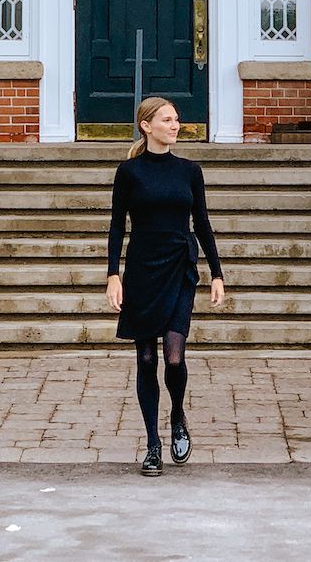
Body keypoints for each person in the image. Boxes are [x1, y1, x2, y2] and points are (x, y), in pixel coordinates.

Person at [106, 96, 225, 476]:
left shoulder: (190, 171)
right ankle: (153, 444)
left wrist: (217, 274)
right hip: (142, 269)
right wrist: (113, 274)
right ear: (147, 125)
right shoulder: (129, 172)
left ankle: (177, 416)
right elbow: (115, 227)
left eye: (176, 120)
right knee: (145, 359)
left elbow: (202, 223)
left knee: (174, 356)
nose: (175, 126)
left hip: (179, 267)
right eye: (167, 120)